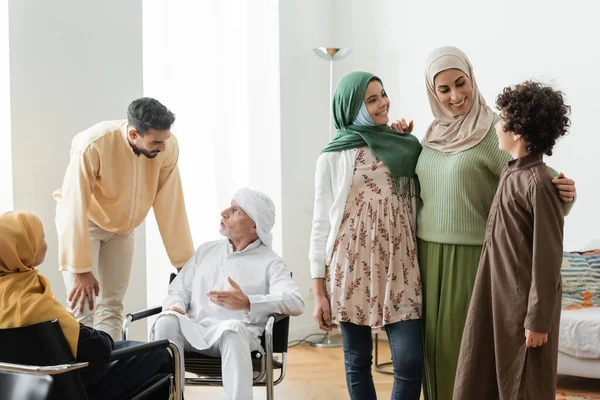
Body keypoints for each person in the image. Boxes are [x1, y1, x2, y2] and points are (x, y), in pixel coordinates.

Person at [406, 46, 577, 400]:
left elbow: (536, 185)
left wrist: (567, 194)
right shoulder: (432, 133)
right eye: (444, 89)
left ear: (472, 78)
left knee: (465, 355)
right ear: (431, 91)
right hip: (427, 254)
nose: (456, 95)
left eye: (461, 83)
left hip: (472, 259)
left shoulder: (491, 131)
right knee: (432, 351)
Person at [309, 71, 423, 400]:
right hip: (350, 265)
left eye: (383, 94)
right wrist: (318, 292)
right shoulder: (331, 157)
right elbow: (320, 224)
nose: (383, 103)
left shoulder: (405, 145)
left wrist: (402, 138)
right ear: (351, 107)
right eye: (371, 99)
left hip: (400, 265)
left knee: (410, 360)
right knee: (357, 361)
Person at [454, 81, 569, 399]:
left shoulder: (538, 183)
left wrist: (538, 319)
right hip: (497, 297)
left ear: (517, 129)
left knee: (523, 383)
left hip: (522, 308)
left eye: (502, 120)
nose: (496, 127)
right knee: (485, 377)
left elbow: (547, 258)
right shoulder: (510, 173)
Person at [53, 97, 194, 340]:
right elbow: (73, 206)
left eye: (165, 140)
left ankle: (111, 372)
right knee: (82, 308)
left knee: (112, 305)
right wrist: (80, 268)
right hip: (85, 226)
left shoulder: (167, 148)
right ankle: (81, 376)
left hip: (123, 230)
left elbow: (170, 204)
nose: (162, 147)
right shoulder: (93, 145)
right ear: (133, 135)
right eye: (156, 141)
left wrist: (184, 263)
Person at [0, 211, 174, 400]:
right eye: (39, 240)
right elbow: (97, 347)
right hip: (69, 384)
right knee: (161, 354)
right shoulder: (33, 302)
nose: (45, 245)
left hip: (23, 391)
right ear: (22, 248)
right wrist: (100, 336)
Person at [152, 188, 304, 400]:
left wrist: (248, 302)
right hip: (196, 330)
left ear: (254, 225)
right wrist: (176, 305)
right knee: (166, 320)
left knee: (232, 329)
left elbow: (296, 301)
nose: (224, 213)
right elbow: (177, 289)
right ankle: (168, 397)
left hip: (237, 336)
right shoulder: (206, 251)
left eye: (235, 210)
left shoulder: (270, 261)